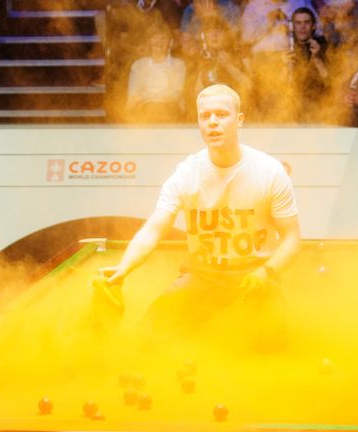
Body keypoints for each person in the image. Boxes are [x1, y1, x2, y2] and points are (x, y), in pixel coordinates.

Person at [105, 84, 301, 347]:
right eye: (205, 116)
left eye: (221, 115)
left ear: (239, 120)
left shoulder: (269, 171)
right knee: (148, 336)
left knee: (279, 347)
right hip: (203, 276)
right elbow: (153, 229)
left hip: (254, 277)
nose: (212, 123)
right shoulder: (186, 174)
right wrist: (124, 268)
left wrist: (266, 272)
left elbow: (292, 239)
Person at [125, 25, 187, 122]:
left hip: (169, 107)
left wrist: (151, 98)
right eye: (155, 38)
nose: (159, 42)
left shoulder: (178, 65)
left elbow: (176, 93)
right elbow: (133, 95)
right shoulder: (138, 65)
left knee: (161, 111)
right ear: (149, 42)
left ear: (169, 42)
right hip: (144, 107)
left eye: (163, 38)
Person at [283, 7, 330, 121]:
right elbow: (279, 86)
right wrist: (284, 66)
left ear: (313, 26)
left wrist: (318, 58)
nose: (302, 27)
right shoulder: (287, 48)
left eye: (306, 22)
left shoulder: (325, 46)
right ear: (292, 27)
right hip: (291, 106)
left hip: (319, 105)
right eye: (298, 23)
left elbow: (331, 82)